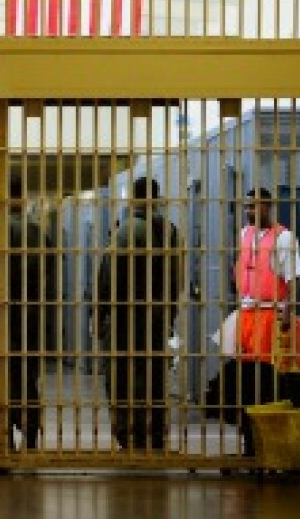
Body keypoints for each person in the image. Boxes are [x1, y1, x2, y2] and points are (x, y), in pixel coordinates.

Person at [0, 177, 57, 467]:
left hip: (0, 318)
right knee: (28, 378)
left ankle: (1, 444)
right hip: (31, 317)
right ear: (26, 200)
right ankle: (29, 442)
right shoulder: (41, 235)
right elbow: (49, 278)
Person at [96, 177, 180, 451]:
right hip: (158, 314)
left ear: (132, 198)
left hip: (126, 316)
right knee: (154, 376)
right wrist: (169, 314)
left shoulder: (126, 231)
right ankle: (155, 433)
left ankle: (128, 433)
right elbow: (176, 279)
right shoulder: (171, 231)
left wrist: (101, 313)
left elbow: (110, 277)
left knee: (122, 375)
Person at [232, 186, 300, 455]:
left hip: (270, 314)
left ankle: (266, 439)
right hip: (246, 313)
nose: (250, 211)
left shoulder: (284, 238)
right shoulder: (244, 234)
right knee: (245, 378)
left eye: (255, 206)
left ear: (268, 206)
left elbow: (294, 278)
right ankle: (249, 438)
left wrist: (287, 312)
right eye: (248, 206)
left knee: (267, 378)